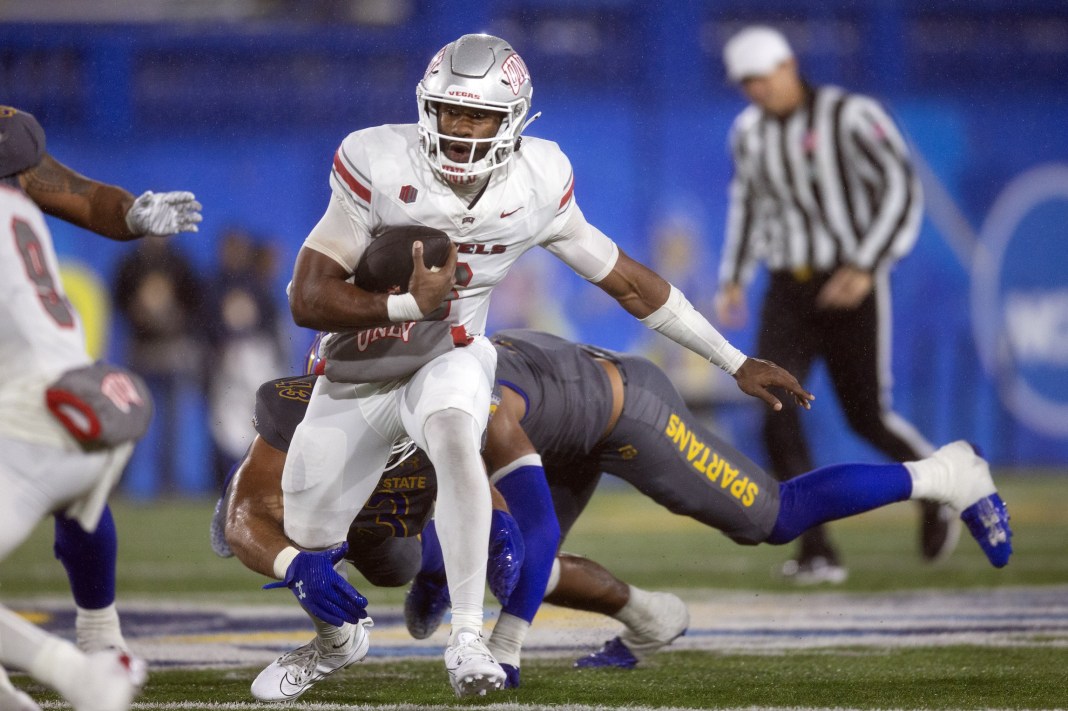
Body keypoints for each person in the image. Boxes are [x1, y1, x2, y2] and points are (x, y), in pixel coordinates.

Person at [283, 33, 812, 697]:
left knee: (457, 444)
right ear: (425, 106)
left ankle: (471, 636)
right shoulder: (377, 159)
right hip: (364, 363)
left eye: (477, 115)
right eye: (447, 111)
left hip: (456, 355)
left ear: (515, 120)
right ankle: (383, 606)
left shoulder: (538, 179)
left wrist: (731, 359)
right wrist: (401, 300)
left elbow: (626, 282)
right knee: (321, 528)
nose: (459, 129)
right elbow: (307, 296)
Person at [405, 329, 1012, 682]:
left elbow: (530, 524)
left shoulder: (480, 408)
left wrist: (505, 646)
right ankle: (650, 617)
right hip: (556, 418)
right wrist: (431, 580)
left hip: (626, 412)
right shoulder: (411, 397)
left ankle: (947, 472)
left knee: (773, 517)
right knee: (492, 547)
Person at [713, 26, 955, 583]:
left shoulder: (849, 114)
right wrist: (733, 278)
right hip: (787, 287)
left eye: (762, 76)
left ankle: (939, 486)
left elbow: (900, 186)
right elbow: (747, 203)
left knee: (866, 416)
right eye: (746, 82)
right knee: (772, 404)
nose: (756, 90)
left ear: (790, 65)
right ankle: (816, 548)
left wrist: (869, 263)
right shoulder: (748, 132)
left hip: (850, 280)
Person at [0, 106, 200, 711]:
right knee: (80, 517)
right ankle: (99, 644)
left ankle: (80, 674)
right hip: (89, 415)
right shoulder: (18, 207)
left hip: (32, 425)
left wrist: (128, 211)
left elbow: (71, 190)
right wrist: (130, 211)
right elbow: (68, 190)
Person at [209, 375, 525, 702]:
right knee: (292, 522)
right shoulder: (303, 409)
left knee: (396, 567)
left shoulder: (446, 396)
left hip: (387, 509)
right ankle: (335, 641)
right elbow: (246, 516)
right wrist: (293, 565)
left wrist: (498, 517)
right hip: (320, 495)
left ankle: (440, 579)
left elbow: (466, 478)